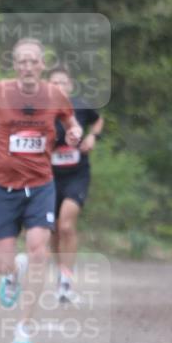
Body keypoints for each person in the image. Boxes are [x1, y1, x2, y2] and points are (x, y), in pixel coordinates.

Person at [0, 38, 82, 343]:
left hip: (41, 184)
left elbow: (71, 123)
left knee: (38, 250)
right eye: (22, 62)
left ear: (42, 65)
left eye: (33, 61)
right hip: (1, 187)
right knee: (3, 262)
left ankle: (24, 327)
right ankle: (12, 273)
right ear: (15, 66)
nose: (28, 67)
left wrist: (74, 133)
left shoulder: (54, 94)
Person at [48, 66, 104, 303]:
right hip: (48, 177)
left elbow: (99, 120)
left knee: (67, 226)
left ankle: (66, 281)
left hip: (77, 175)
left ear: (70, 85)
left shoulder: (80, 106)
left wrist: (92, 136)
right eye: (54, 83)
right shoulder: (41, 111)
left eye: (63, 82)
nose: (59, 87)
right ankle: (61, 275)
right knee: (53, 229)